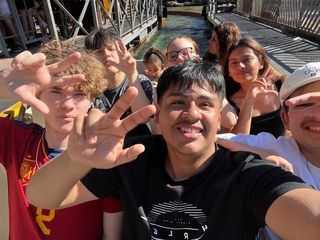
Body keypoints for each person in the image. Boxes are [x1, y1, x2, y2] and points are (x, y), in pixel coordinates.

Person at [27, 60, 320, 240]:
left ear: (220, 118)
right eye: (177, 103)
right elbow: (42, 197)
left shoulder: (247, 173)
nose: (191, 113)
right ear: (158, 117)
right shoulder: (133, 157)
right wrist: (75, 160)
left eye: (205, 104)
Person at [0, 43, 123, 239]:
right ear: (38, 94)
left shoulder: (102, 157)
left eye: (79, 94)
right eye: (56, 91)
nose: (67, 104)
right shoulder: (16, 140)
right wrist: (2, 88)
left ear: (92, 99)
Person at [218, 61, 320, 240]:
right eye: (304, 104)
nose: (318, 113)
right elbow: (199, 142)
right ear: (285, 119)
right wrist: (251, 152)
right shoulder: (271, 148)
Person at [85, 28, 153, 137]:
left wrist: (132, 73)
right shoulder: (90, 90)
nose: (106, 54)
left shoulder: (140, 80)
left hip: (140, 146)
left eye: (111, 49)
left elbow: (144, 118)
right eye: (99, 51)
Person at [224, 38, 287, 136]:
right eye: (234, 62)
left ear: (261, 62)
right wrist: (249, 99)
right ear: (229, 72)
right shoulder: (228, 103)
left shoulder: (282, 86)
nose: (241, 65)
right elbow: (237, 141)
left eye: (246, 59)